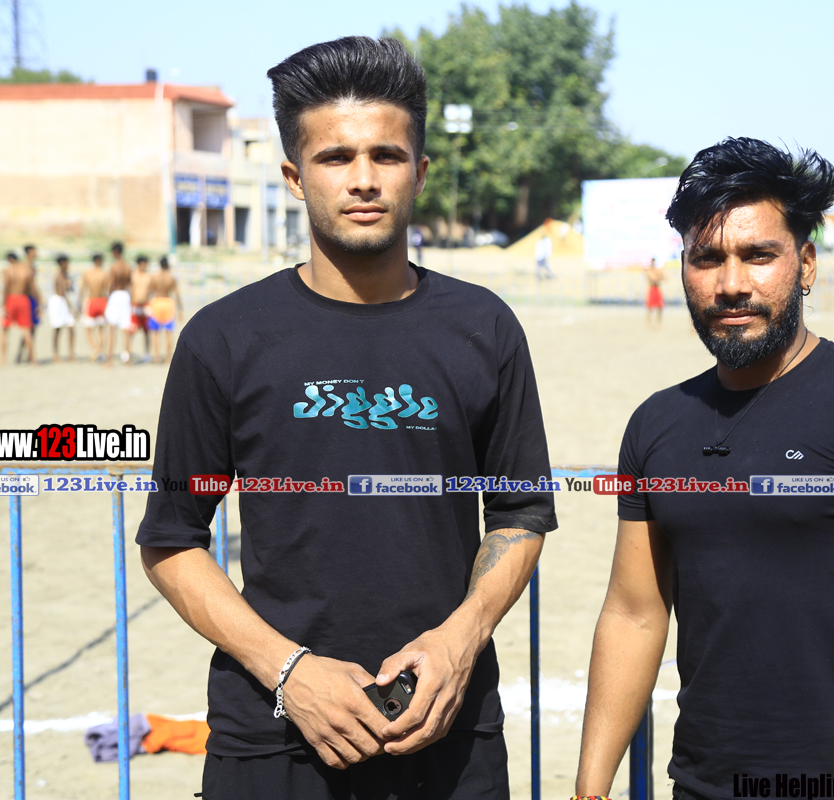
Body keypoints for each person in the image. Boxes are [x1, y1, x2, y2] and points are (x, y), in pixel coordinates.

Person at [137, 36, 556, 800]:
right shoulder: (225, 338)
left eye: (386, 155)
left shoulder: (484, 328)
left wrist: (460, 641)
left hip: (448, 728)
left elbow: (520, 512)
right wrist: (289, 672)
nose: (363, 179)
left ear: (419, 171)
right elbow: (171, 538)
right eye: (335, 157)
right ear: (295, 177)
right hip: (275, 737)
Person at [575, 138, 834, 798]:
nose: (731, 284)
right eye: (707, 258)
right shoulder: (657, 425)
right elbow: (633, 615)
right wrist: (588, 791)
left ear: (806, 263)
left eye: (758, 255)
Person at [0, 252, 37, 366]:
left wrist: (3, 304)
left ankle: (3, 360)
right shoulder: (26, 270)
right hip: (24, 299)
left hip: (11, 299)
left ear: (9, 259)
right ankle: (33, 360)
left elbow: (5, 288)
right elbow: (32, 289)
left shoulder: (8, 271)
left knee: (4, 330)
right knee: (26, 330)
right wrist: (37, 304)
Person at [147, 256, 182, 365]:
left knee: (155, 332)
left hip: (157, 302)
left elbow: (150, 291)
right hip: (167, 302)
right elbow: (177, 294)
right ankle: (167, 357)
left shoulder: (155, 277)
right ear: (168, 265)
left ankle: (157, 357)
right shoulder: (171, 278)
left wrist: (147, 305)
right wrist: (180, 310)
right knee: (168, 332)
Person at [103, 242, 133, 364]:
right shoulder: (128, 267)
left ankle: (109, 359)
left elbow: (111, 285)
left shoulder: (113, 267)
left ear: (115, 252)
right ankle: (128, 360)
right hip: (125, 295)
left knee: (112, 329)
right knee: (125, 330)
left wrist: (108, 299)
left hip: (116, 295)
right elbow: (130, 284)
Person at [78, 253, 109, 360]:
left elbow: (82, 289)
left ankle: (97, 349)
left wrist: (79, 302)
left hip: (91, 300)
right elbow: (107, 291)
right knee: (101, 329)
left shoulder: (87, 273)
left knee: (88, 330)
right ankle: (100, 351)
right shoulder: (104, 274)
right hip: (102, 301)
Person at [47, 254, 76, 362]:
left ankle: (71, 354)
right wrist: (71, 307)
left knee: (71, 328)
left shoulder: (66, 276)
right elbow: (62, 293)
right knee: (58, 329)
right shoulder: (59, 276)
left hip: (65, 301)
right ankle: (56, 354)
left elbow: (70, 290)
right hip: (59, 302)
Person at [127, 254, 153, 362]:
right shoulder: (133, 275)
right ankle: (127, 352)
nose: (145, 265)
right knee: (131, 330)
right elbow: (129, 289)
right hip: (135, 305)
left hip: (146, 305)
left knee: (146, 331)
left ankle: (146, 353)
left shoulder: (149, 276)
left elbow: (151, 290)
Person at [644, 257, 664, 330]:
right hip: (651, 289)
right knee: (649, 309)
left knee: (660, 308)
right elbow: (654, 279)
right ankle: (649, 324)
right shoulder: (649, 271)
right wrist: (658, 275)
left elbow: (664, 277)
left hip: (657, 288)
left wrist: (658, 275)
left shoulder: (656, 270)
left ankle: (658, 324)